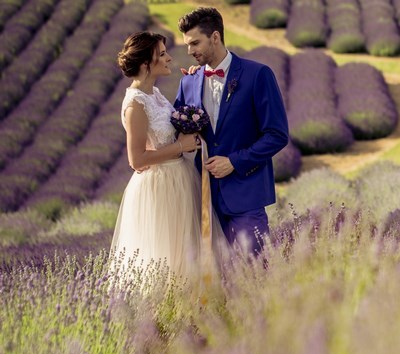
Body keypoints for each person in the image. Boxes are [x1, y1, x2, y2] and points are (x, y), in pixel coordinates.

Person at [175, 7, 289, 257]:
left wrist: (234, 162)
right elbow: (177, 131)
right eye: (187, 45)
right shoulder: (188, 82)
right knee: (215, 286)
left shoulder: (257, 75)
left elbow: (277, 134)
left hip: (246, 196)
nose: (190, 51)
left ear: (215, 37)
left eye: (195, 43)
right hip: (203, 201)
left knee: (254, 276)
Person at [111, 31, 204, 280]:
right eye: (162, 54)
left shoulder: (156, 94)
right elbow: (137, 160)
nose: (169, 58)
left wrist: (196, 80)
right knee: (165, 261)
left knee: (186, 257)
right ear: (145, 64)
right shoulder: (135, 104)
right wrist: (180, 147)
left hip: (179, 179)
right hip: (159, 187)